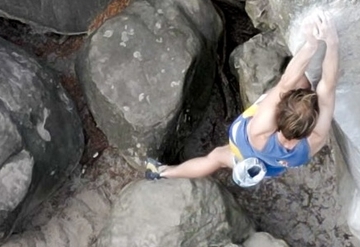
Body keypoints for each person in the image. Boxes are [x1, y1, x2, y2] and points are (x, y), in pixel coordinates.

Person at [144, 14, 339, 186]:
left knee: (216, 157)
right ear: (310, 126)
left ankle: (163, 172)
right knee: (305, 82)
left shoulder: (260, 131)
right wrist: (333, 43)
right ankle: (164, 172)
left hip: (245, 144)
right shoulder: (314, 140)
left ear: (280, 115)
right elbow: (328, 87)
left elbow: (286, 83)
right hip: (269, 166)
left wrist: (311, 45)